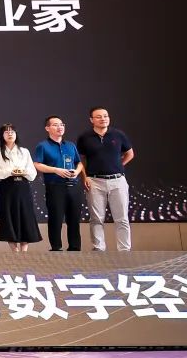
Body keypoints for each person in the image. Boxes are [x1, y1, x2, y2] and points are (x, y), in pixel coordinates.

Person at [77, 106, 135, 251]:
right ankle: (99, 249)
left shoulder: (118, 134)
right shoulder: (84, 137)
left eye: (105, 116)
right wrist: (84, 177)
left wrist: (118, 166)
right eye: (99, 116)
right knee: (96, 218)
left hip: (118, 181)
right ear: (91, 120)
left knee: (122, 218)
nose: (103, 119)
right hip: (95, 181)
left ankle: (124, 250)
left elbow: (130, 153)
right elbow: (80, 160)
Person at [33, 116, 85, 251]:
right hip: (55, 186)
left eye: (61, 124)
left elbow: (79, 163)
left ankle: (75, 248)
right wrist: (56, 170)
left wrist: (77, 172)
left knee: (74, 219)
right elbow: (37, 164)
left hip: (73, 186)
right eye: (55, 125)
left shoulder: (70, 145)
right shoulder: (42, 146)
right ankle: (56, 248)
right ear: (47, 128)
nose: (60, 127)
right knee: (55, 218)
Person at [0, 123, 41, 252]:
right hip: (8, 186)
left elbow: (33, 172)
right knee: (8, 215)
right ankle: (14, 250)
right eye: (6, 132)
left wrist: (23, 172)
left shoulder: (24, 151)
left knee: (25, 215)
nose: (10, 134)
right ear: (2, 135)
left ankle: (24, 250)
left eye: (12, 132)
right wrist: (10, 172)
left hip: (23, 186)